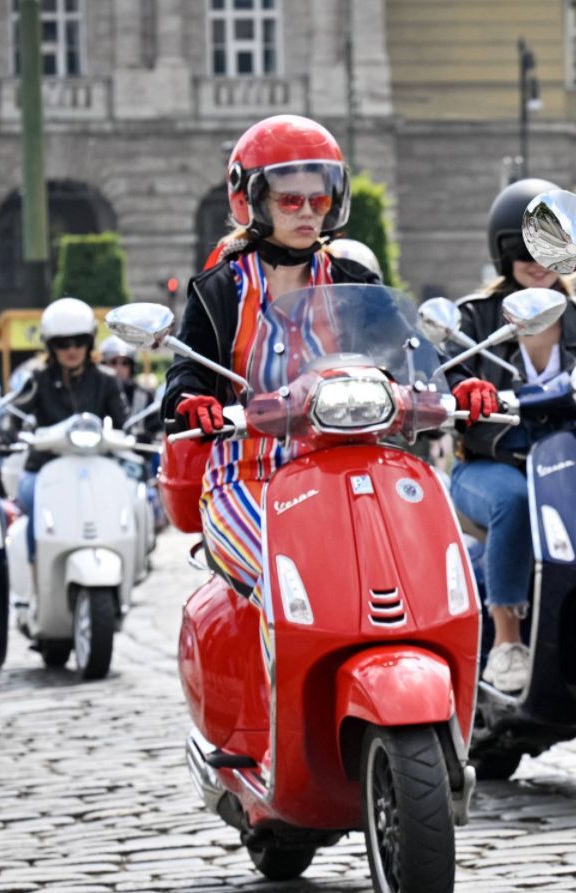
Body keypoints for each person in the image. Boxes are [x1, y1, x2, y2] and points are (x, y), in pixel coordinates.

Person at [160, 116, 394, 665]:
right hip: (247, 476)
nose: (308, 212)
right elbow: (184, 376)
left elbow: (399, 359)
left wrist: (459, 387)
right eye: (291, 201)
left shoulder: (352, 280)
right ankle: (284, 737)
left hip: (345, 473)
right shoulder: (220, 290)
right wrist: (192, 401)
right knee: (287, 580)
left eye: (319, 199)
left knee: (405, 571)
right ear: (252, 200)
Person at [445, 177, 576, 694]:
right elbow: (445, 373)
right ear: (502, 251)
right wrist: (464, 387)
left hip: (572, 464)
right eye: (523, 248)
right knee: (515, 501)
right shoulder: (476, 317)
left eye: (550, 248)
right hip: (492, 465)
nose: (538, 262)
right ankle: (507, 641)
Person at [17, 298, 132, 523]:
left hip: (98, 461)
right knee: (30, 497)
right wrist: (6, 432)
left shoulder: (106, 380)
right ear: (50, 345)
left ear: (89, 343)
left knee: (131, 497)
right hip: (45, 464)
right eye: (62, 343)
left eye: (79, 341)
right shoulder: (36, 379)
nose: (72, 350)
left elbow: (125, 422)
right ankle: (34, 557)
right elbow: (14, 416)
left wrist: (137, 432)